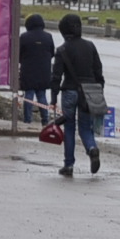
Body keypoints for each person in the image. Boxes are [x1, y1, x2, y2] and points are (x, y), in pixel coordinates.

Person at [48, 12, 103, 177]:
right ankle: (92, 149)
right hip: (89, 92)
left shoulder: (62, 50)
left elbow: (56, 77)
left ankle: (69, 165)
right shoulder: (90, 46)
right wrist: (99, 90)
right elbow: (98, 71)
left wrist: (53, 98)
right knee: (86, 127)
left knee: (69, 128)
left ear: (64, 31)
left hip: (70, 91)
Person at [17, 13, 56, 124]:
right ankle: (45, 119)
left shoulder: (24, 37)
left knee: (29, 95)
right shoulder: (48, 36)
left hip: (28, 70)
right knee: (41, 95)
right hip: (44, 71)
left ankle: (27, 119)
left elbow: (19, 54)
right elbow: (52, 52)